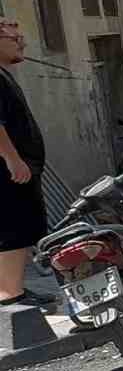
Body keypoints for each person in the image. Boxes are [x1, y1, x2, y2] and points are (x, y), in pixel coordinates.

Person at [0, 21, 47, 308]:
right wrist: (13, 159)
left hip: (15, 169)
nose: (22, 43)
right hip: (9, 172)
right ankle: (10, 296)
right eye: (15, 38)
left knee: (18, 229)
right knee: (12, 230)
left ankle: (13, 289)